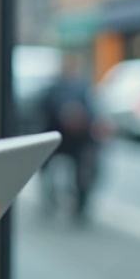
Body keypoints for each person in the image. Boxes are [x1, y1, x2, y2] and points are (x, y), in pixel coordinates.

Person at [38, 52, 102, 221]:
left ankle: (81, 201)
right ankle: (51, 198)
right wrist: (65, 115)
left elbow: (93, 111)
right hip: (55, 136)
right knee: (45, 164)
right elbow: (45, 112)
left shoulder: (83, 88)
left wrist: (93, 123)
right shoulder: (53, 89)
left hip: (80, 140)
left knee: (90, 162)